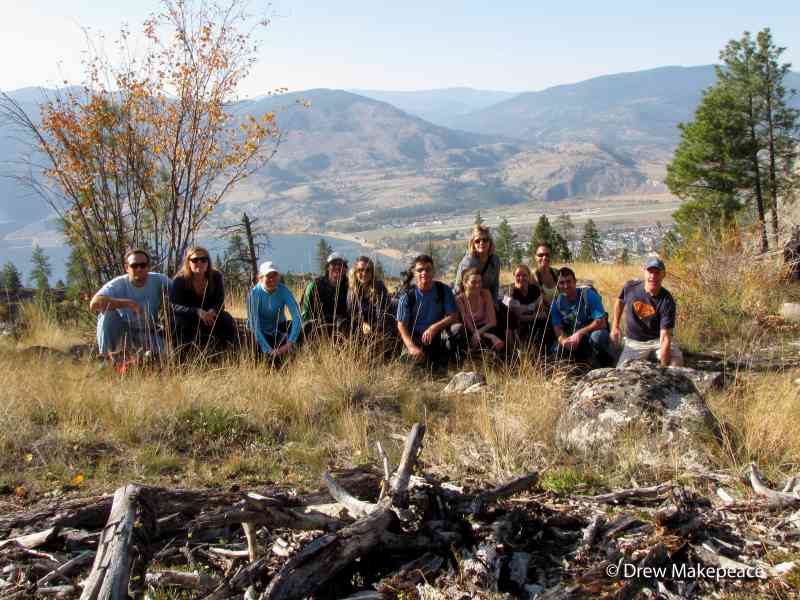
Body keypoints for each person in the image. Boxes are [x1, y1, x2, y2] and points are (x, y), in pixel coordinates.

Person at [90, 248, 171, 358]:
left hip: (147, 332)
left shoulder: (159, 280)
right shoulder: (118, 284)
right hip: (122, 332)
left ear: (148, 267)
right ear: (127, 267)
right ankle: (105, 358)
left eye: (143, 265)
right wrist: (127, 303)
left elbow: (179, 293)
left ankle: (136, 360)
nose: (139, 269)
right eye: (134, 265)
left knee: (166, 355)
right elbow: (94, 304)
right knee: (107, 313)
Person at [611, 258, 684, 367]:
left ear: (663, 275)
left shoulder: (667, 301)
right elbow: (620, 301)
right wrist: (615, 326)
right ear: (644, 272)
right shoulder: (630, 287)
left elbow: (665, 338)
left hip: (658, 340)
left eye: (657, 273)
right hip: (635, 342)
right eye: (650, 272)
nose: (653, 276)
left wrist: (665, 369)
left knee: (676, 365)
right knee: (621, 371)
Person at [396, 254, 460, 371]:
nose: (424, 273)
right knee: (409, 370)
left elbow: (453, 316)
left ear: (433, 271)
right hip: (414, 338)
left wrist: (434, 327)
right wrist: (411, 347)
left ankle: (453, 365)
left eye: (428, 269)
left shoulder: (443, 290)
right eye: (420, 270)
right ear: (414, 272)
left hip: (437, 336)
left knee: (458, 330)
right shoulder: (407, 296)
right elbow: (401, 325)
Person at [170, 246, 237, 353]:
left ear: (208, 262)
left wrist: (213, 310)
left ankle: (228, 352)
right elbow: (174, 306)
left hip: (210, 316)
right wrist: (197, 311)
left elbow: (220, 300)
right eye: (195, 260)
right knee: (178, 323)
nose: (199, 262)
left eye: (203, 259)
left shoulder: (216, 277)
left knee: (226, 319)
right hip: (188, 317)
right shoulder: (180, 280)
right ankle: (186, 354)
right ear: (188, 262)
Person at [550, 266, 616, 367]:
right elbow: (557, 327)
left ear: (575, 282)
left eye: (569, 281)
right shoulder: (556, 303)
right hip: (574, 339)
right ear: (557, 285)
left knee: (598, 337)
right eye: (562, 283)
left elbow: (601, 322)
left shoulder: (588, 294)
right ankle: (577, 366)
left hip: (590, 334)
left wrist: (580, 333)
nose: (566, 286)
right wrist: (564, 340)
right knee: (556, 348)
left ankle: (604, 363)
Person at [247, 261, 302, 358]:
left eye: (275, 275)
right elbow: (254, 326)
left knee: (301, 330)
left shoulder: (284, 290)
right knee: (253, 343)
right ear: (260, 278)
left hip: (278, 328)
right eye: (268, 276)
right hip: (260, 332)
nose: (272, 279)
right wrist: (269, 350)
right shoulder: (254, 294)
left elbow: (297, 317)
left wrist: (289, 343)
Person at [301, 251, 349, 339]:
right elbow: (305, 314)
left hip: (342, 330)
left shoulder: (350, 287)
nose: (338, 267)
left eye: (342, 264)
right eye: (334, 264)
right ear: (327, 267)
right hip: (317, 329)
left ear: (346, 269)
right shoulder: (314, 285)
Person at [455, 268, 504, 352]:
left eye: (480, 281)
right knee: (474, 340)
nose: (478, 285)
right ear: (465, 283)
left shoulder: (485, 293)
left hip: (485, 327)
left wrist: (479, 333)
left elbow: (492, 321)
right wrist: (487, 335)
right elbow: (466, 321)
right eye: (473, 282)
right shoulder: (460, 299)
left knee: (498, 336)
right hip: (471, 330)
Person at [502, 264, 548, 348]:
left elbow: (543, 310)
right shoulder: (509, 292)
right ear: (514, 276)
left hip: (534, 324)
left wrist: (527, 309)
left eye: (524, 275)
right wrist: (534, 309)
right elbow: (519, 316)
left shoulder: (534, 289)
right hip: (516, 327)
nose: (521, 278)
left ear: (529, 276)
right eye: (518, 275)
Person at [347, 256, 393, 336]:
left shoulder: (379, 287)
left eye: (368, 270)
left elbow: (383, 313)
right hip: (361, 329)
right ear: (355, 272)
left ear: (372, 272)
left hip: (380, 329)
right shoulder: (352, 291)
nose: (364, 273)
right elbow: (352, 314)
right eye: (360, 270)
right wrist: (362, 324)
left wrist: (376, 328)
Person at [454, 225, 502, 303]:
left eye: (485, 240)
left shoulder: (495, 260)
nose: (481, 243)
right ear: (473, 244)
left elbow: (495, 285)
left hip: (487, 300)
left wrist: (494, 303)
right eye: (477, 241)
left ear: (490, 242)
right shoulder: (468, 262)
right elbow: (459, 287)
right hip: (469, 302)